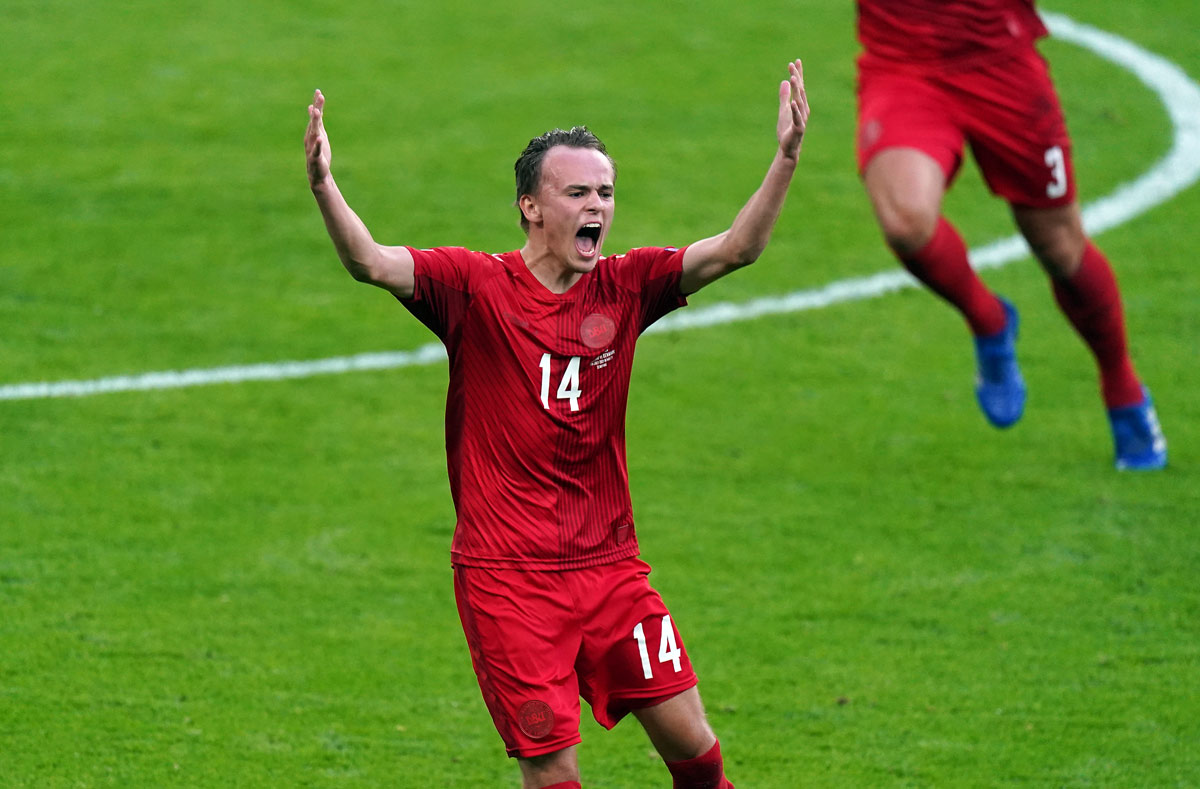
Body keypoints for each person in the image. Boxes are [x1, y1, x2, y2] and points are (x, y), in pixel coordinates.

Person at [304, 60, 809, 788]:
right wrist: (325, 184)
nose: (597, 206)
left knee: (697, 750)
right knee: (555, 774)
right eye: (577, 192)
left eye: (605, 192)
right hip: (509, 581)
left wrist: (785, 158)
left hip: (610, 570)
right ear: (531, 208)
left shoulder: (629, 284)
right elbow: (371, 262)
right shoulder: (473, 288)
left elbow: (738, 248)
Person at [854, 0, 1167, 470]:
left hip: (1001, 65)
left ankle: (1122, 386)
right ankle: (990, 321)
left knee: (1059, 247)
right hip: (903, 67)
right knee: (905, 222)